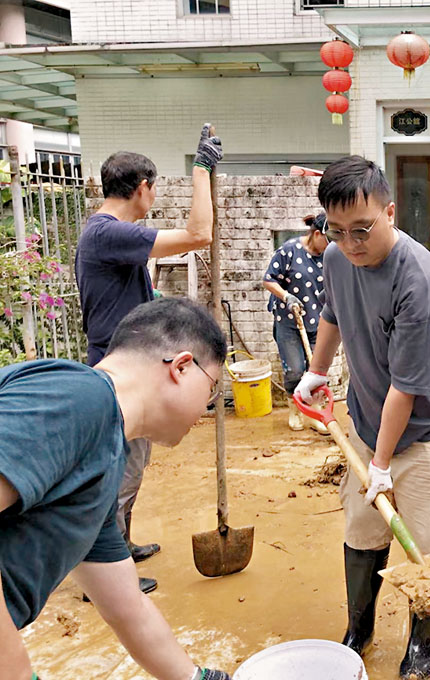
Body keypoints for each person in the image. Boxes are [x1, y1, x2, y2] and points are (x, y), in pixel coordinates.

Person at [294, 156, 430, 680]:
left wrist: (380, 464)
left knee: (428, 542)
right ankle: (360, 627)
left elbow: (407, 388)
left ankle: (422, 643)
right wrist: (316, 371)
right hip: (369, 420)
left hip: (429, 433)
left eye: (362, 230)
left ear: (390, 212)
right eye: (337, 231)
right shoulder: (335, 258)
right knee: (362, 529)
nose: (351, 243)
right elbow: (332, 313)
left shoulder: (420, 281)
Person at [0, 298, 232, 680]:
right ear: (181, 367)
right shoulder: (80, 399)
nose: (207, 408)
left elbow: (128, 610)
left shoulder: (105, 460)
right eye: (211, 389)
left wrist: (197, 678)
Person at [75, 125, 223, 594]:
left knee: (131, 466)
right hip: (121, 372)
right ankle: (102, 573)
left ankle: (121, 542)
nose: (154, 195)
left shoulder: (107, 235)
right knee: (119, 472)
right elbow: (200, 233)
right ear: (142, 188)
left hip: (128, 362)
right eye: (155, 187)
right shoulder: (108, 233)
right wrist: (201, 170)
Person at [262, 212, 330, 433]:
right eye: (328, 239)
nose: (331, 245)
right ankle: (295, 411)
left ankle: (316, 413)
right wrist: (286, 297)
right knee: (294, 369)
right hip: (289, 322)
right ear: (317, 233)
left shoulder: (330, 256)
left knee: (315, 371)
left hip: (318, 321)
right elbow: (269, 279)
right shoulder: (289, 250)